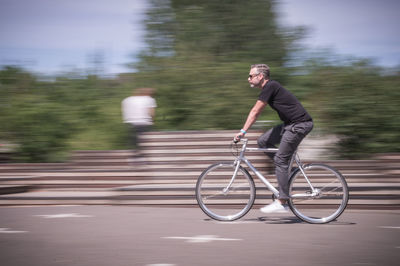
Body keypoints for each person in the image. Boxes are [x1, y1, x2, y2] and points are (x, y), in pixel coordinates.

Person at [235, 64, 313, 213]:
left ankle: (282, 201)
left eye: (251, 76)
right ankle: (286, 170)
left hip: (299, 125)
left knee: (280, 160)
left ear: (260, 76)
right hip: (290, 125)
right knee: (263, 141)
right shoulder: (269, 88)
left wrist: (243, 131)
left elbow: (255, 111)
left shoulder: (271, 86)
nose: (248, 79)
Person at [122, 88, 157, 162]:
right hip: (144, 122)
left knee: (134, 141)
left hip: (130, 123)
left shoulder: (126, 100)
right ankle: (143, 158)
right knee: (145, 142)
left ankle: (134, 157)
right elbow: (151, 112)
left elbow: (125, 112)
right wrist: (153, 121)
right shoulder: (149, 99)